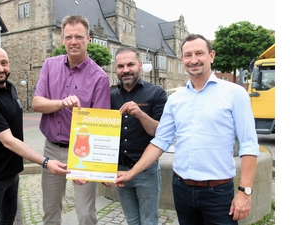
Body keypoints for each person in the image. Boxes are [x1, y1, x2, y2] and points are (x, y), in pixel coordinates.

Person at [114, 34, 260, 225]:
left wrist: (244, 192)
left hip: (217, 191)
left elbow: (249, 144)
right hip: (181, 189)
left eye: (199, 53)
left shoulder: (234, 93)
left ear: (211, 55)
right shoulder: (176, 99)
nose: (194, 60)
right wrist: (131, 173)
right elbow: (160, 141)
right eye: (188, 55)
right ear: (182, 59)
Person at [0, 46, 69, 225]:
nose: (0, 68)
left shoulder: (10, 87)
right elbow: (8, 141)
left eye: (4, 63)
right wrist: (45, 162)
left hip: (11, 171)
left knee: (8, 218)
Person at [32, 15, 111, 225]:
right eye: (68, 37)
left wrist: (91, 165)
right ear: (62, 39)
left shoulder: (100, 77)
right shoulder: (49, 65)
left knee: (85, 213)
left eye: (78, 36)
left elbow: (100, 126)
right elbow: (37, 104)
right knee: (50, 210)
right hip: (52, 149)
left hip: (82, 152)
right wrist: (62, 103)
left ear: (88, 39)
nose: (73, 41)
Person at [108, 47, 167, 224]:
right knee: (132, 220)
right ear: (116, 68)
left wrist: (140, 114)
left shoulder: (156, 93)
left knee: (149, 221)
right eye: (120, 66)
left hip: (145, 170)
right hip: (119, 169)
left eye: (130, 64)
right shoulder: (110, 96)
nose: (125, 70)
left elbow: (160, 133)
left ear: (140, 65)